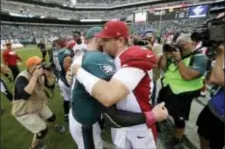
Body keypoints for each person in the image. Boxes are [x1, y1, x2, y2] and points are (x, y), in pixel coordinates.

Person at [71, 21, 168, 149]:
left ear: (120, 40)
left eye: (105, 40)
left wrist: (78, 71)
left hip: (139, 129)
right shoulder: (114, 58)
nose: (102, 43)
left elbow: (108, 97)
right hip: (122, 126)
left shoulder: (134, 56)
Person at [158, 33, 208, 148]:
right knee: (162, 107)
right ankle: (161, 121)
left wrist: (178, 59)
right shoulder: (177, 55)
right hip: (168, 89)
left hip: (183, 96)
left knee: (178, 119)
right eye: (180, 44)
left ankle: (178, 138)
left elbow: (188, 76)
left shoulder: (200, 58)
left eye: (184, 44)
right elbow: (164, 67)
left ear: (193, 43)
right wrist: (165, 55)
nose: (182, 46)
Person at [11, 56, 65, 149]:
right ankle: (33, 147)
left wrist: (49, 76)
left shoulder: (41, 75)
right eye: (38, 65)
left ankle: (55, 126)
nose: (41, 67)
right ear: (31, 67)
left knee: (52, 117)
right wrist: (35, 76)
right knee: (42, 130)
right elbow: (25, 95)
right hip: (24, 111)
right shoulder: (21, 78)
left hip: (37, 104)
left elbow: (51, 87)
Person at [196, 43, 224, 149]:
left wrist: (221, 55)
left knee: (216, 144)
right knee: (203, 135)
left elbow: (216, 79)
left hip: (221, 116)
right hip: (214, 107)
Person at [52, 39, 72, 122]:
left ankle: (66, 115)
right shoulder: (66, 53)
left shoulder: (55, 53)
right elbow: (67, 69)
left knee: (66, 98)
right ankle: (75, 115)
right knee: (75, 98)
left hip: (60, 78)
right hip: (67, 79)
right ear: (64, 43)